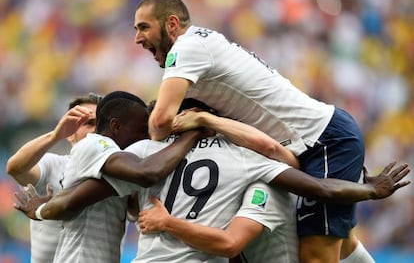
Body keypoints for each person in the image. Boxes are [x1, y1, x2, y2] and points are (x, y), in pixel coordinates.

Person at [133, 0, 390, 262]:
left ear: (172, 24)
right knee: (343, 243)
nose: (138, 38)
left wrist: (175, 136)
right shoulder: (204, 42)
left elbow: (160, 124)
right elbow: (272, 149)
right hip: (316, 140)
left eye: (143, 27)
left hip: (321, 140)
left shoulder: (187, 48)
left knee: (316, 255)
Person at [15, 97, 410, 262]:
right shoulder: (249, 160)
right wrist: (370, 190)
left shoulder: (142, 154)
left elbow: (81, 198)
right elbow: (321, 187)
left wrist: (44, 208)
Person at [14, 91, 203, 263]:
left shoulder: (120, 164)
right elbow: (148, 173)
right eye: (141, 130)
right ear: (115, 126)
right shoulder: (94, 144)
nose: (145, 138)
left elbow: (82, 199)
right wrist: (193, 134)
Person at [6, 93, 101, 263]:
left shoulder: (120, 173)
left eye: (101, 124)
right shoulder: (53, 164)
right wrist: (55, 135)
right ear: (71, 134)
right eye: (89, 123)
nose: (95, 130)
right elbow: (15, 168)